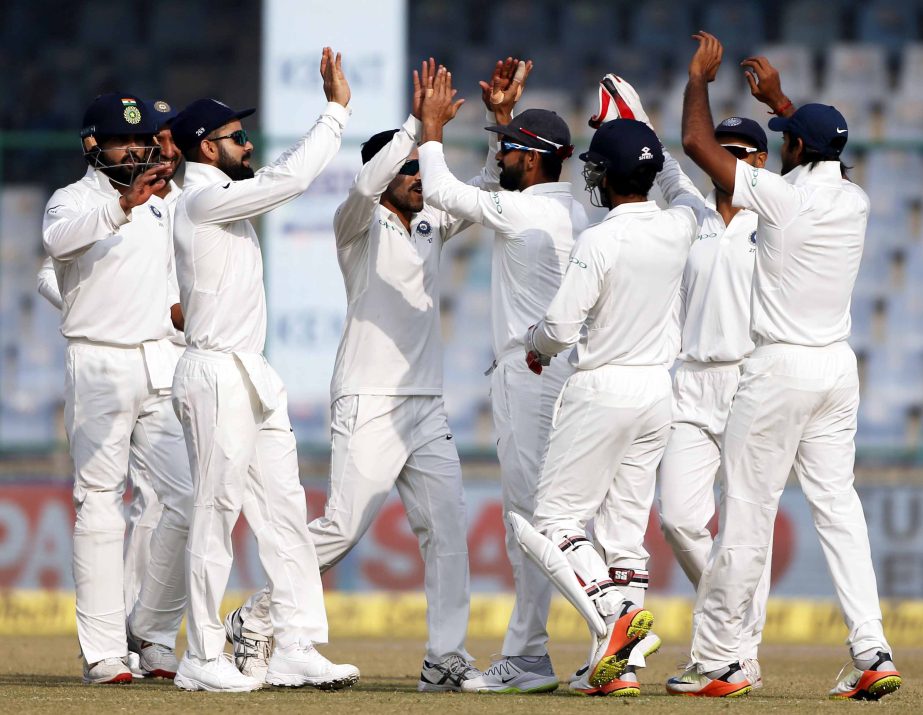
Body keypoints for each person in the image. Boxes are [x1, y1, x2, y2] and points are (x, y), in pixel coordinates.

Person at [230, 59, 484, 694]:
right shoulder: (357, 225)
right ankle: (258, 616)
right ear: (390, 173)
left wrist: (496, 126)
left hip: (425, 405)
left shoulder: (431, 220)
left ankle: (445, 659)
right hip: (367, 399)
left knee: (448, 532)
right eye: (412, 172)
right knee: (341, 528)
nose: (421, 181)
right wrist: (414, 127)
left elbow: (484, 194)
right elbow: (364, 185)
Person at [665, 33, 901, 700]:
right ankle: (870, 648)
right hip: (835, 369)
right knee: (837, 508)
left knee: (745, 512)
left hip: (777, 370)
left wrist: (698, 82)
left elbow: (695, 147)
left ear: (794, 150)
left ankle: (722, 659)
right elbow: (820, 153)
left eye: (783, 135)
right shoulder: (848, 198)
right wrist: (781, 104)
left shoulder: (780, 197)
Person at [169, 48, 359, 693]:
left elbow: (271, 181)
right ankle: (200, 654)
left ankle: (294, 644)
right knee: (216, 511)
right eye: (235, 137)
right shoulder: (200, 199)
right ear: (205, 148)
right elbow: (289, 181)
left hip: (251, 371)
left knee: (284, 510)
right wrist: (335, 113)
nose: (246, 143)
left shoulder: (221, 197)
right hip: (216, 373)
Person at [590, 74, 773, 689]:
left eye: (742, 155)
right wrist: (629, 118)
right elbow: (662, 161)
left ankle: (731, 648)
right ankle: (735, 624)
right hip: (689, 383)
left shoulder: (776, 220)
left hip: (751, 380)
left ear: (761, 164)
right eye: (724, 152)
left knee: (746, 525)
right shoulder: (690, 211)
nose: (730, 163)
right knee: (679, 520)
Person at [416, 57, 588, 694]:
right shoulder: (573, 211)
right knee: (552, 518)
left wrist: (431, 126)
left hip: (531, 374)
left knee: (533, 522)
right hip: (563, 374)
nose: (502, 156)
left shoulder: (525, 213)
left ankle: (545, 649)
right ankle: (542, 647)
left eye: (509, 149)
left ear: (534, 160)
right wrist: (503, 119)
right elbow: (499, 184)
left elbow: (440, 190)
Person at [520, 114, 698, 696]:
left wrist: (535, 347)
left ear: (609, 175)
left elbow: (559, 326)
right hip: (656, 392)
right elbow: (685, 194)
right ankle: (613, 665)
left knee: (552, 522)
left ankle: (612, 619)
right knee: (623, 533)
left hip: (603, 387)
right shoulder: (679, 226)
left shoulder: (601, 239)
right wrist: (644, 126)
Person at [42, 92, 192, 685]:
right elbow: (57, 245)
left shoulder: (164, 201)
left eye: (142, 140)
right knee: (99, 504)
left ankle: (151, 633)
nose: (136, 147)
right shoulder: (71, 201)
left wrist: (159, 186)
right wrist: (122, 205)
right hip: (99, 362)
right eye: (121, 140)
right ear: (92, 147)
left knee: (184, 496)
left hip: (159, 363)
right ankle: (103, 650)